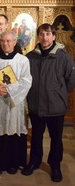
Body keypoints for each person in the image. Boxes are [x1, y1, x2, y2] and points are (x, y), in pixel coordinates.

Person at [21, 23, 75, 182]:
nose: (45, 37)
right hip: (36, 105)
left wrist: (59, 93)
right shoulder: (30, 57)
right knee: (36, 136)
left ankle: (55, 166)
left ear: (53, 36)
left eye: (48, 34)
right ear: (38, 36)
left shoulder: (63, 57)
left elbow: (71, 80)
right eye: (42, 34)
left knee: (56, 138)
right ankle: (34, 162)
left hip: (55, 106)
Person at [0, 30, 32, 174]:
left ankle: (13, 163)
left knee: (13, 130)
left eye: (9, 41)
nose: (6, 44)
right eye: (3, 41)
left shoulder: (23, 60)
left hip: (14, 103)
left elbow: (26, 81)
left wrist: (10, 90)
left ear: (15, 42)